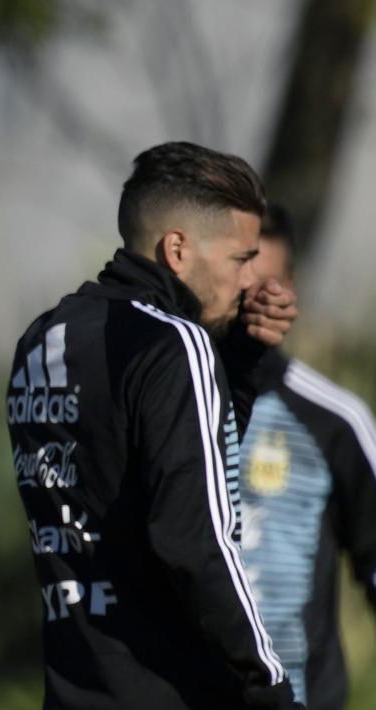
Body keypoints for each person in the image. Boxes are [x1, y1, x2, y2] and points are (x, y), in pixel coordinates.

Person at [5, 141, 303, 708]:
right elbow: (199, 540)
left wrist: (239, 359)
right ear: (177, 249)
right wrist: (269, 684)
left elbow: (148, 478)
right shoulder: (175, 342)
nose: (248, 281)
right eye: (241, 259)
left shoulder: (42, 338)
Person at [237, 205, 376, 710]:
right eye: (242, 290)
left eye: (269, 288)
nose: (256, 306)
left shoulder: (335, 420)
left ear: (290, 287)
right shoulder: (169, 406)